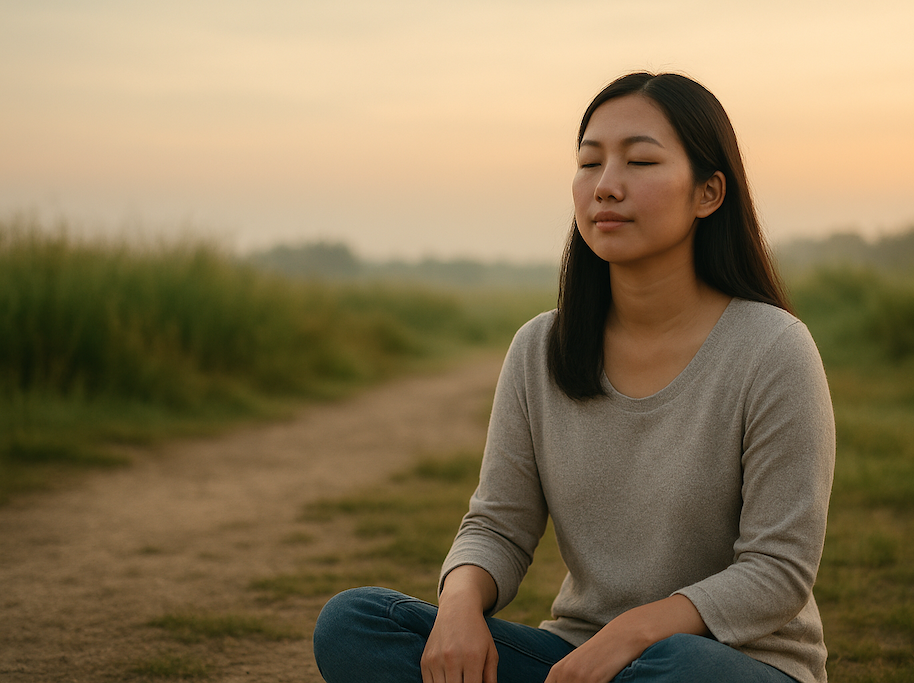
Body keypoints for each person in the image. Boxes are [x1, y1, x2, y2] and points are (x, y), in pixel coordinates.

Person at [313, 71, 835, 683]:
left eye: (640, 161)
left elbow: (778, 569)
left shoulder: (771, 348)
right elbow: (497, 524)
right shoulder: (543, 347)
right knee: (355, 623)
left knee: (674, 668)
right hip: (572, 663)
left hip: (724, 663)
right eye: (590, 163)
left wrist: (630, 634)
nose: (606, 186)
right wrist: (457, 611)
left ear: (708, 193)